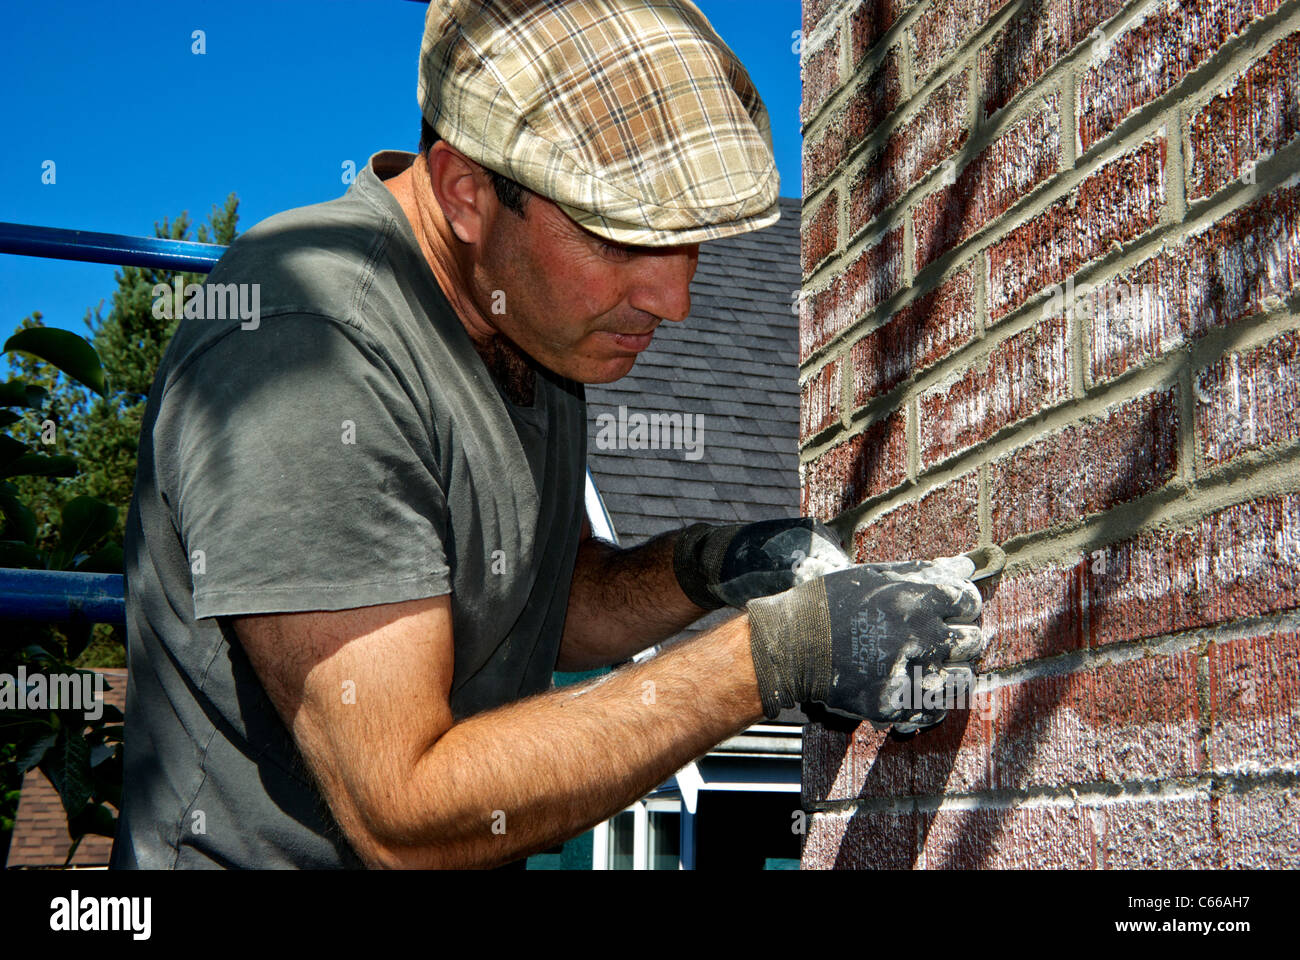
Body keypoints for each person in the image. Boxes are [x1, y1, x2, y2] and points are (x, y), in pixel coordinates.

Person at [110, 0, 984, 870]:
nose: (672, 302)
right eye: (621, 241)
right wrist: (783, 653)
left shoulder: (527, 319)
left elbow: (542, 601)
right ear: (466, 194)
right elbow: (404, 815)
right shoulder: (310, 344)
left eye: (690, 246)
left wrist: (717, 563)